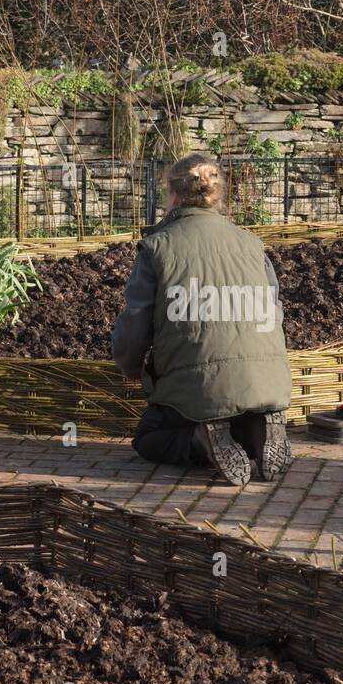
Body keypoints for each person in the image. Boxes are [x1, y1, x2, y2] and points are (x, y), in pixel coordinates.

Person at [112, 153, 292, 486]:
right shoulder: (252, 244)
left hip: (195, 385)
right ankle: (258, 428)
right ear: (218, 195)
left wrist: (130, 366)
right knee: (232, 401)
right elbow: (273, 310)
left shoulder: (158, 247)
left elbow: (136, 319)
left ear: (173, 196)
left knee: (148, 436)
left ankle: (201, 439)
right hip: (266, 380)